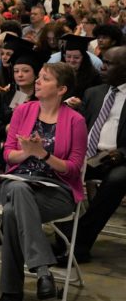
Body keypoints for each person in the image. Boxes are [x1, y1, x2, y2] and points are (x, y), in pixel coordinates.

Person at [0, 62, 86, 301]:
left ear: (61, 89)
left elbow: (73, 168)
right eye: (38, 77)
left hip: (57, 191)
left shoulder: (75, 120)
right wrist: (27, 152)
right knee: (17, 188)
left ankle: (10, 292)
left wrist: (43, 154)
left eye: (45, 79)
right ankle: (43, 272)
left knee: (10, 213)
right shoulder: (22, 111)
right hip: (17, 179)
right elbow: (7, 154)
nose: (37, 81)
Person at [56, 45, 126, 265]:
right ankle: (64, 237)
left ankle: (80, 241)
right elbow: (79, 127)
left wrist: (121, 153)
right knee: (60, 172)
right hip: (88, 154)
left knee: (117, 180)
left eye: (109, 63)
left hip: (119, 158)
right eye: (102, 61)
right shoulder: (93, 93)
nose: (102, 67)